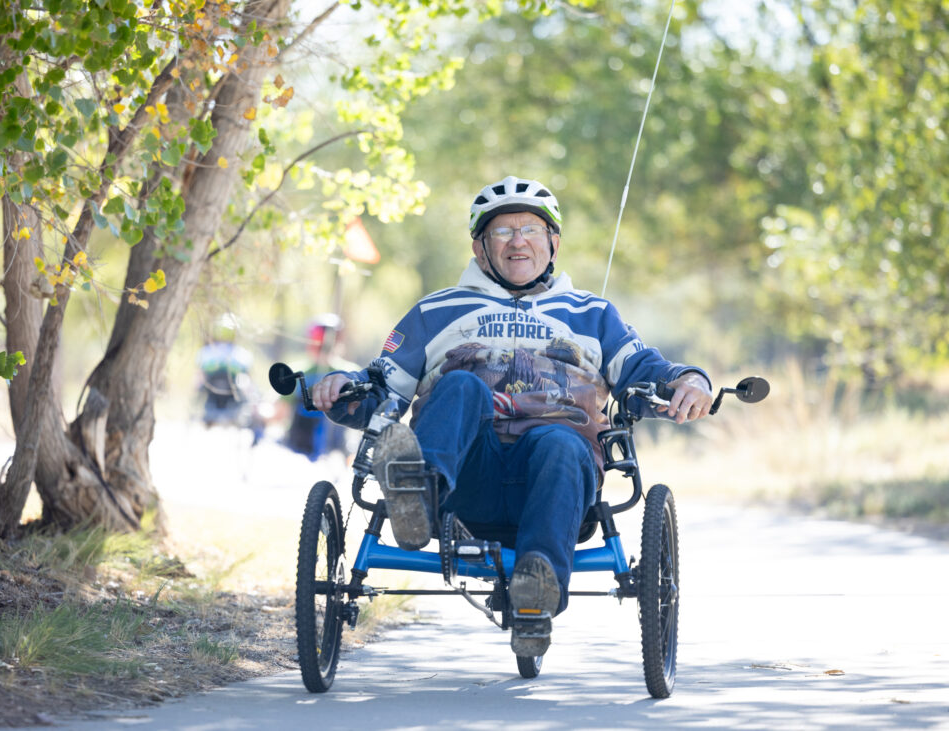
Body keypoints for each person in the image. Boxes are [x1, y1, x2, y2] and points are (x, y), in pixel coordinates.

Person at [312, 175, 713, 658]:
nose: (517, 240)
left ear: (553, 243)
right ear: (480, 249)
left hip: (553, 482)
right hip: (463, 481)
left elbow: (645, 370)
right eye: (502, 231)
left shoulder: (593, 314)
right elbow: (382, 385)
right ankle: (417, 496)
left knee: (561, 440)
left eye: (530, 229)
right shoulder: (435, 311)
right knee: (461, 384)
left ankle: (536, 591)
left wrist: (690, 381)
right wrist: (340, 387)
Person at [283, 314, 356, 461]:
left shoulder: (296, 372)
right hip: (336, 448)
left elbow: (280, 412)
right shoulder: (352, 373)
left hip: (299, 446)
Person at [198, 313, 266, 446]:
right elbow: (249, 380)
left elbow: (198, 381)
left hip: (210, 401)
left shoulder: (204, 353)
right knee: (247, 384)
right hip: (234, 401)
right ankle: (257, 422)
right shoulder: (243, 355)